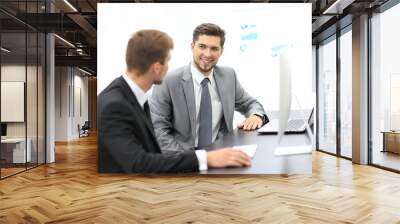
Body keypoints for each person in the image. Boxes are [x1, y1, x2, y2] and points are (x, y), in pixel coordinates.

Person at [97, 29, 251, 173]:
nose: (168, 68)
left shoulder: (131, 96)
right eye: (167, 61)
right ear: (157, 68)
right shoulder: (114, 104)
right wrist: (205, 158)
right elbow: (138, 162)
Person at [150, 23, 268, 154]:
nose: (207, 54)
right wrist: (192, 161)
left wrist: (256, 116)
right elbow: (158, 131)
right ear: (192, 46)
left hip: (221, 154)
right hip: (184, 158)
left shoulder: (228, 76)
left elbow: (250, 104)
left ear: (221, 51)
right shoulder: (167, 82)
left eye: (214, 48)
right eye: (202, 47)